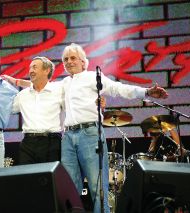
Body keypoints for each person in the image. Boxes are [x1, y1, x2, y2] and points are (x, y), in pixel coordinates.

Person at [60, 43, 168, 212]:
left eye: (73, 58)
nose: (68, 62)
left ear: (83, 61)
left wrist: (145, 92)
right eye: (65, 59)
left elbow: (118, 89)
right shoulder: (63, 83)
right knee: (70, 191)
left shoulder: (92, 77)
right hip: (67, 138)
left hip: (89, 134)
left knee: (98, 189)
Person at [12, 56, 64, 164]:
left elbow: (75, 103)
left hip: (52, 142)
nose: (31, 71)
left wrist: (98, 102)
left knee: (49, 179)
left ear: (46, 70)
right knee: (27, 178)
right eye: (30, 68)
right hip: (28, 143)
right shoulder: (22, 95)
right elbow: (5, 110)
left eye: (34, 67)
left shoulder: (59, 89)